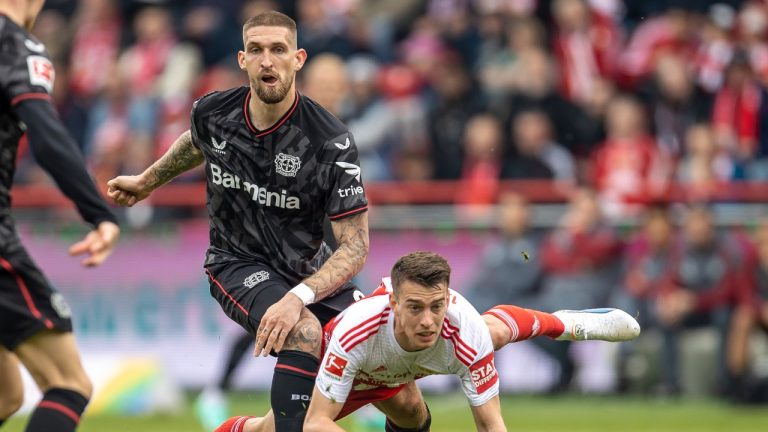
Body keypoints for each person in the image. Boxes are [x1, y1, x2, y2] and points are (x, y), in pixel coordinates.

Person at [107, 11, 369, 432]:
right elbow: (196, 142)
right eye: (257, 50)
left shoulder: (330, 141)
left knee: (386, 357)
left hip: (304, 268)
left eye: (278, 50)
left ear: (298, 58)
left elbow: (355, 246)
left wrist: (297, 294)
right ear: (242, 59)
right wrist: (146, 181)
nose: (268, 60)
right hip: (235, 262)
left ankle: (243, 429)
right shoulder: (213, 111)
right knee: (302, 332)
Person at [220, 251, 641, 432]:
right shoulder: (356, 332)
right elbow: (316, 422)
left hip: (402, 370)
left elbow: (491, 424)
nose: (428, 321)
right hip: (355, 371)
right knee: (271, 429)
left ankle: (570, 323)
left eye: (436, 306)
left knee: (484, 338)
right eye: (416, 308)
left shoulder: (462, 329)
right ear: (393, 303)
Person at [0, 1, 121, 431]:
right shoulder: (13, 42)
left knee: (6, 395)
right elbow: (47, 136)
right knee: (68, 383)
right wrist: (99, 213)